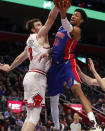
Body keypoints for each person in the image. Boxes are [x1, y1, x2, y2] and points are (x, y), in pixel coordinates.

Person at [39, 1, 98, 130]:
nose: (73, 16)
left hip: (67, 64)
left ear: (81, 21)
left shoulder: (77, 31)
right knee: (54, 98)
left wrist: (62, 11)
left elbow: (67, 25)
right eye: (73, 14)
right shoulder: (61, 28)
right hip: (55, 66)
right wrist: (47, 53)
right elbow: (55, 46)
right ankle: (57, 126)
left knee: (77, 90)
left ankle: (94, 123)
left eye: (77, 15)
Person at [0, 6, 59, 131]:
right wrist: (57, 6)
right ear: (33, 29)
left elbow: (20, 57)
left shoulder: (30, 41)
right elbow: (51, 19)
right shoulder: (40, 36)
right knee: (35, 115)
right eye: (39, 25)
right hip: (37, 78)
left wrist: (10, 67)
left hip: (30, 77)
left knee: (29, 116)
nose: (42, 25)